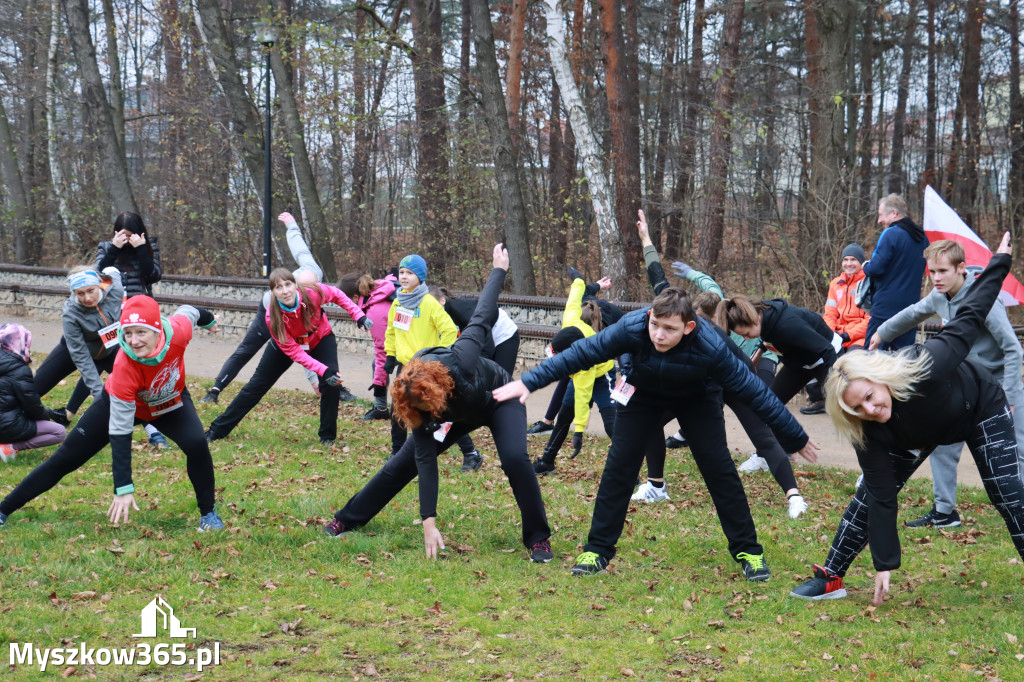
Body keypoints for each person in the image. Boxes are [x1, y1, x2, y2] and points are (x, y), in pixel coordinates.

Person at [494, 286, 818, 582]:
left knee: (719, 470)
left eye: (670, 329)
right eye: (655, 325)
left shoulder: (710, 345)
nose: (659, 335)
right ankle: (597, 550)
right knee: (619, 468)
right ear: (649, 317)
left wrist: (796, 437)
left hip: (698, 398)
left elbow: (757, 395)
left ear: (689, 327)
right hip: (642, 394)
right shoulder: (632, 327)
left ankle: (750, 551)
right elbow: (581, 353)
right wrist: (528, 381)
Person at [790, 233, 1024, 604]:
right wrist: (884, 562)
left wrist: (999, 263)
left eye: (869, 396)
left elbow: (970, 315)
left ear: (880, 377)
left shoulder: (924, 365)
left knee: (1009, 494)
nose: (869, 409)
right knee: (867, 497)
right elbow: (883, 496)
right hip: (913, 431)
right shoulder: (867, 426)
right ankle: (832, 577)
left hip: (977, 407)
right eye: (857, 409)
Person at [323, 244, 553, 563]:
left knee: (515, 458)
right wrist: (428, 522)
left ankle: (538, 539)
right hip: (458, 413)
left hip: (499, 399)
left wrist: (499, 269)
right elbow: (425, 461)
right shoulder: (415, 401)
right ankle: (348, 518)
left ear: (437, 395)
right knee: (400, 465)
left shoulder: (463, 359)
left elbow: (484, 312)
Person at [630, 211, 810, 518]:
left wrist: (789, 430)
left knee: (762, 435)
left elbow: (747, 373)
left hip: (732, 381)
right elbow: (657, 276)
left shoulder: (714, 338)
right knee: (648, 422)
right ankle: (656, 486)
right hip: (697, 388)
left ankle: (794, 496)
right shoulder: (673, 311)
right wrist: (646, 239)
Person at [0, 297, 224, 530]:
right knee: (66, 458)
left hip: (169, 401)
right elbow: (120, 430)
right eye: (127, 333)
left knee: (197, 443)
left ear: (157, 329)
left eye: (141, 332)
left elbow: (190, 310)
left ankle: (208, 514)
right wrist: (123, 486)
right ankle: (4, 509)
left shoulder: (178, 331)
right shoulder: (125, 365)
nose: (134, 341)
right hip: (121, 405)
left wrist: (208, 322)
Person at [868, 238, 1024, 530]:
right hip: (962, 384)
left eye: (942, 271)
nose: (936, 278)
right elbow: (913, 312)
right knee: (941, 444)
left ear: (961, 268)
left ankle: (1021, 510)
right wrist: (881, 332)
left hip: (999, 387)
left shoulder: (984, 300)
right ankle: (944, 512)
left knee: (1015, 450)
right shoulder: (939, 295)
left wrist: (1012, 397)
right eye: (931, 272)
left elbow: (1014, 349)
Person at [205, 269, 371, 446]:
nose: (285, 291)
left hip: (319, 337)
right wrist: (323, 370)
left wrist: (358, 315)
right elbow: (296, 353)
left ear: (295, 285)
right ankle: (216, 430)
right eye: (278, 287)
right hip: (289, 346)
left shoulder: (312, 292)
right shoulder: (273, 317)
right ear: (273, 292)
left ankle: (327, 437)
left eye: (288, 285)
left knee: (331, 384)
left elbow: (338, 295)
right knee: (256, 386)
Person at [201, 212, 334, 404]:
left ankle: (333, 387)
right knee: (246, 350)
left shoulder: (312, 273)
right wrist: (314, 379)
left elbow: (301, 250)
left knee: (313, 339)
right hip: (270, 313)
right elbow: (299, 342)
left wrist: (292, 226)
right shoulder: (277, 296)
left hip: (293, 314)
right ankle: (214, 391)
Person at [383, 255, 482, 470]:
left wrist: (439, 356)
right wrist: (390, 355)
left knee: (441, 411)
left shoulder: (429, 302)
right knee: (397, 409)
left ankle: (471, 454)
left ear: (420, 277)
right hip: (405, 366)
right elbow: (391, 330)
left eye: (410, 273)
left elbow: (450, 331)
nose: (404, 276)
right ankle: (397, 453)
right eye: (401, 272)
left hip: (426, 366)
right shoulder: (398, 301)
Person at [718, 292, 843, 434]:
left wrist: (836, 383)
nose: (746, 339)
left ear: (754, 320)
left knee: (847, 406)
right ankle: (772, 453)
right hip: (798, 362)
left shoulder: (788, 324)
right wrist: (759, 353)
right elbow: (769, 337)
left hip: (824, 358)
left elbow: (827, 350)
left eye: (746, 334)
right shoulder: (763, 318)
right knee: (769, 407)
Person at [95, 211, 168, 448]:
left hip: (139, 317)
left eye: (131, 235)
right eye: (122, 235)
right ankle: (75, 412)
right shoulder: (106, 247)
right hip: (113, 316)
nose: (126, 240)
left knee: (133, 366)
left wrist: (141, 248)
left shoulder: (149, 246)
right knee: (110, 361)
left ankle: (152, 426)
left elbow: (153, 275)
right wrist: (113, 250)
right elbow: (98, 277)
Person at [531, 274, 616, 475]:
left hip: (602, 377)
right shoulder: (570, 321)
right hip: (580, 375)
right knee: (563, 417)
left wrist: (579, 433)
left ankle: (630, 472)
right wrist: (578, 280)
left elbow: (583, 395)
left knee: (612, 424)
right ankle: (546, 462)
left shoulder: (587, 356)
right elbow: (574, 298)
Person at [32, 266, 125, 423]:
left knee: (136, 384)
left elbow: (113, 271)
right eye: (80, 293)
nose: (87, 298)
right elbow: (82, 357)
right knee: (33, 390)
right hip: (73, 349)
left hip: (109, 350)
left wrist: (111, 266)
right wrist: (98, 397)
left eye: (91, 290)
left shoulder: (115, 290)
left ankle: (154, 431)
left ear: (99, 284)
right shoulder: (71, 313)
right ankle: (9, 415)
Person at [801, 243, 870, 415]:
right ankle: (819, 399)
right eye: (845, 260)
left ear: (861, 262)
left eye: (853, 260)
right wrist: (830, 334)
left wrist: (847, 336)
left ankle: (852, 402)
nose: (848, 263)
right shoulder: (835, 284)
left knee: (851, 364)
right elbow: (829, 313)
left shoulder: (868, 283)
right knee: (818, 357)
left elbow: (869, 320)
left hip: (858, 337)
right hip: (837, 334)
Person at [861, 193, 928, 351]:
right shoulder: (922, 238)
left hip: (885, 309)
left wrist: (865, 266)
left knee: (869, 359)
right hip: (910, 311)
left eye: (880, 215)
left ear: (894, 213)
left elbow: (876, 268)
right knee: (903, 362)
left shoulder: (891, 234)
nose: (879, 221)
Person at [0, 324, 67, 463]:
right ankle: (10, 446)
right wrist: (44, 417)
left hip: (7, 418)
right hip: (7, 425)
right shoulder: (19, 369)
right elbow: (32, 405)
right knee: (59, 432)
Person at [338, 272, 398, 420]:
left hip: (411, 346)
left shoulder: (375, 311)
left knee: (381, 366)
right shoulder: (379, 289)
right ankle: (382, 408)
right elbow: (391, 280)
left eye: (345, 303)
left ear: (355, 297)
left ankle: (382, 408)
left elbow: (382, 351)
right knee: (376, 365)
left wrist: (378, 383)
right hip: (405, 340)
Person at [429, 285, 520, 375]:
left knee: (502, 379)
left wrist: (482, 364)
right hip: (484, 335)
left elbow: (484, 336)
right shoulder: (435, 319)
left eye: (432, 304)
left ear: (442, 300)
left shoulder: (459, 309)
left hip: (503, 333)